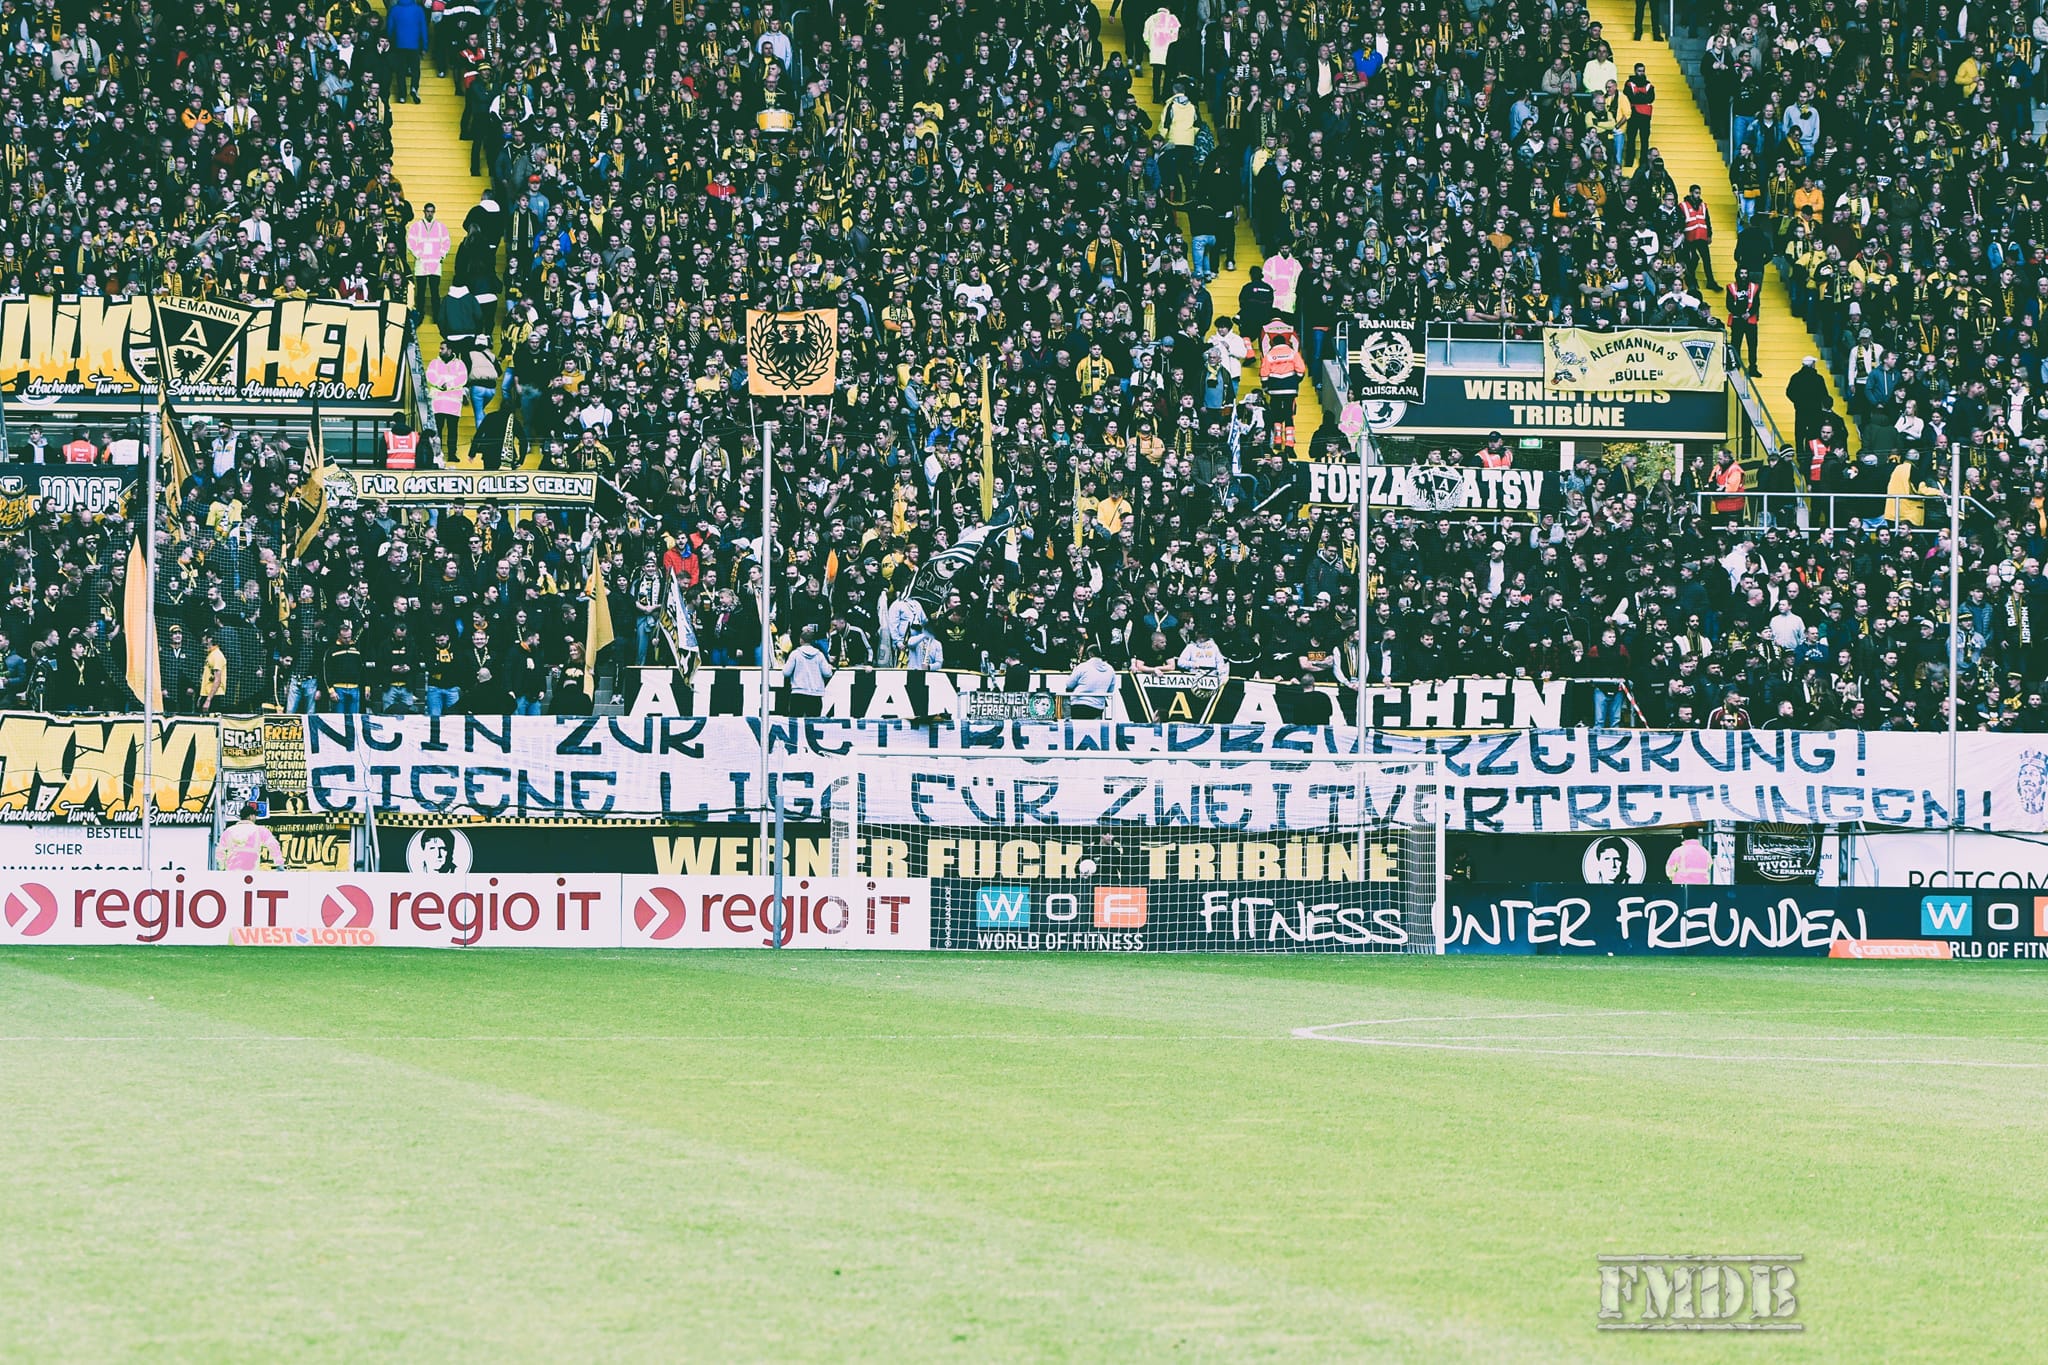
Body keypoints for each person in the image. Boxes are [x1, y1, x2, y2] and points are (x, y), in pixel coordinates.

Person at [783, 624, 835, 717]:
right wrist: (829, 667)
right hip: (815, 694)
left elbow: (786, 672)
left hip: (798, 693)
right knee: (813, 723)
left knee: (795, 722)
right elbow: (827, 673)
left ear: (801, 640)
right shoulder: (819, 655)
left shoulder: (795, 654)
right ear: (812, 641)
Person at [216, 804, 286, 872]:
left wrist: (222, 868)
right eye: (255, 816)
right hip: (252, 873)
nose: (255, 818)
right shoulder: (260, 830)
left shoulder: (228, 831)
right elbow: (274, 845)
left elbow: (220, 852)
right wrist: (279, 864)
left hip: (232, 872)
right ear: (251, 816)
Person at [1063, 643, 1119, 719]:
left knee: (1065, 695)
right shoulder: (1110, 669)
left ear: (1090, 654)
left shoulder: (1083, 666)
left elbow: (1069, 685)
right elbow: (1110, 691)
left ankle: (1067, 722)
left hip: (1079, 705)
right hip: (1098, 707)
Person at [1622, 65, 1656, 167]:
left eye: (1643, 71)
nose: (1641, 73)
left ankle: (1644, 162)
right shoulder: (1629, 83)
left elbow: (1651, 99)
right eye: (1639, 71)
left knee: (1644, 140)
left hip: (1645, 117)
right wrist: (1643, 97)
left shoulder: (1649, 84)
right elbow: (1628, 97)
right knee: (1631, 139)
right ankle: (1629, 161)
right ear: (1635, 71)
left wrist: (1637, 97)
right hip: (1633, 115)